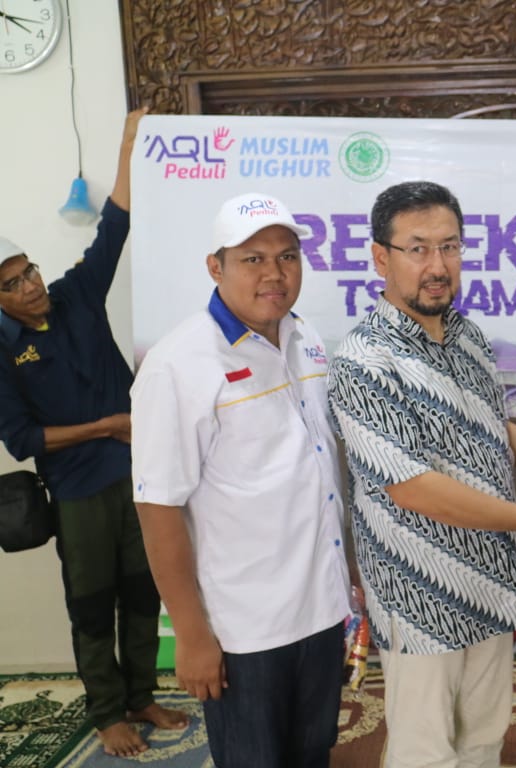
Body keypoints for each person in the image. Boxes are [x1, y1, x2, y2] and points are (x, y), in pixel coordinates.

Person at [326, 180, 516, 768]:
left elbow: (488, 430)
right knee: (425, 749)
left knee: (484, 736)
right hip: (420, 590)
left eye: (450, 247)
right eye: (419, 248)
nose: (438, 266)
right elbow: (411, 487)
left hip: (491, 575)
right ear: (381, 257)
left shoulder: (468, 336)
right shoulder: (363, 360)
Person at [131, 192, 351, 767]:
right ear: (215, 266)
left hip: (321, 610)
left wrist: (345, 581)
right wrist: (191, 634)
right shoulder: (178, 365)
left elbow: (320, 476)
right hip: (245, 628)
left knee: (312, 753)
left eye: (287, 256)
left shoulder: (307, 339)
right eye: (252, 258)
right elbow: (158, 508)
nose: (274, 274)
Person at [0, 107, 189, 757]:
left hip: (135, 475)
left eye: (28, 270)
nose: (32, 285)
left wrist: (130, 144)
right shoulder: (3, 353)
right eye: (15, 283)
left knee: (144, 589)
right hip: (77, 492)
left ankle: (141, 695)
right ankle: (107, 711)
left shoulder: (76, 294)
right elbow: (23, 438)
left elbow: (116, 223)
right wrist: (107, 425)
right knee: (91, 601)